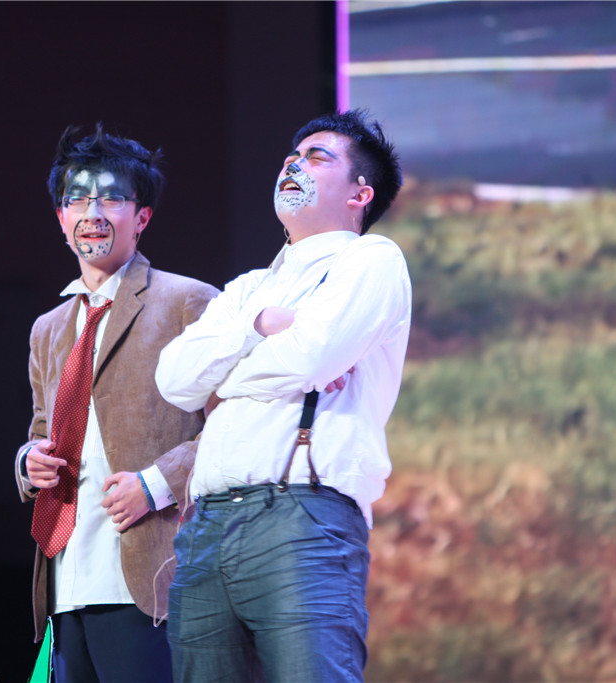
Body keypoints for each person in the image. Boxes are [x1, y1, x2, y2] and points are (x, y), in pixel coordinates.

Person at [155, 109, 411, 683]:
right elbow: (173, 379)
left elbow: (310, 357)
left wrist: (223, 380)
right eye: (292, 157)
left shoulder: (371, 259)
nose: (294, 166)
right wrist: (260, 325)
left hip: (302, 516)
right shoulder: (249, 290)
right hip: (206, 526)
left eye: (317, 158)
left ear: (359, 193)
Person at [14, 123, 219, 683]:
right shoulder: (48, 328)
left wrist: (156, 484)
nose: (92, 212)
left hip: (151, 574)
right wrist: (29, 462)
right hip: (67, 573)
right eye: (77, 199)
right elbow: (41, 428)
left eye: (110, 198)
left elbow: (232, 426)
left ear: (142, 216)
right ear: (61, 217)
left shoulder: (188, 302)